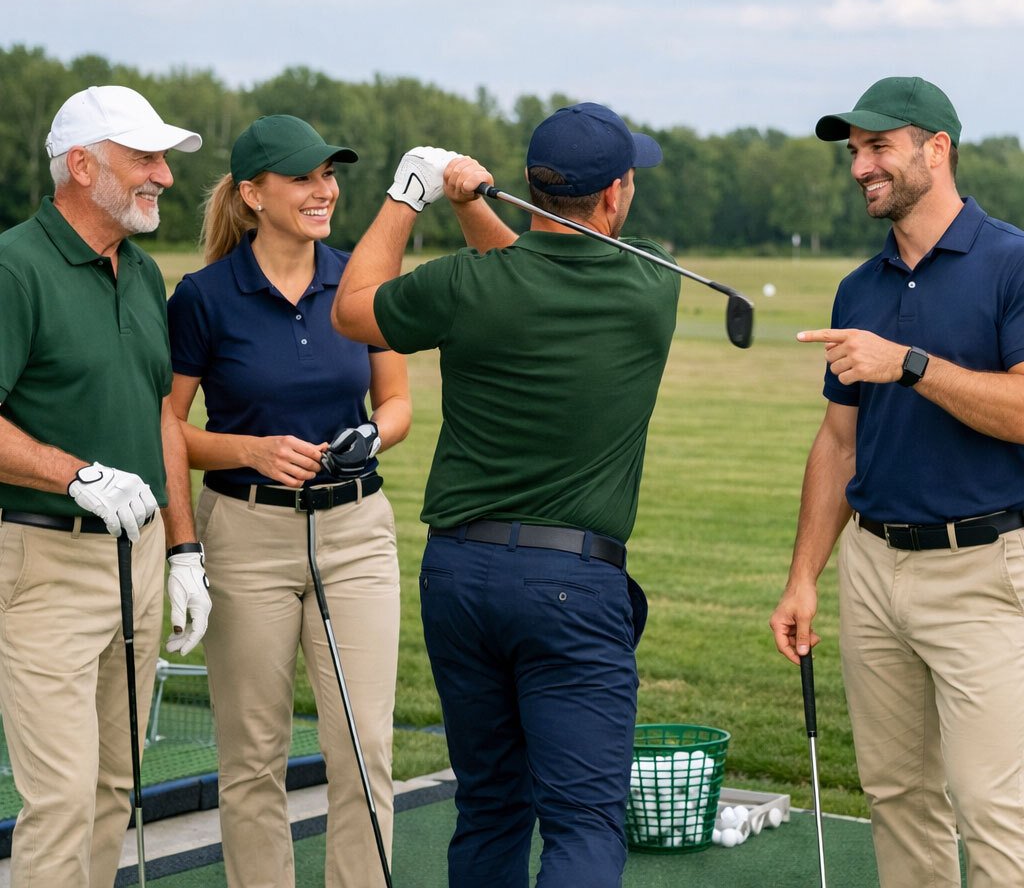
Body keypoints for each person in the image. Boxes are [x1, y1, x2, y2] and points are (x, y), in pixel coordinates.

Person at [332, 102, 680, 888]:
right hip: (573, 584)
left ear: (529, 184)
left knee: (489, 807)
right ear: (615, 193)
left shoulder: (468, 283)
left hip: (460, 577)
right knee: (582, 827)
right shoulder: (650, 282)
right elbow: (534, 269)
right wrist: (470, 210)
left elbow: (353, 309)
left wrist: (412, 194)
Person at [769, 76, 1024, 888]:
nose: (859, 167)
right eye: (854, 152)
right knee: (898, 798)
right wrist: (803, 578)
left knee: (992, 808)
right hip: (874, 570)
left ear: (936, 149)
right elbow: (839, 442)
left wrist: (909, 364)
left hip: (984, 570)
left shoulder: (1012, 262)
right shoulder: (860, 287)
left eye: (877, 147)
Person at [166, 114, 410, 888]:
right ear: (253, 194)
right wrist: (250, 450)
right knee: (252, 760)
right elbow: (168, 429)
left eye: (328, 175)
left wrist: (371, 435)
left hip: (358, 534)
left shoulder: (361, 281)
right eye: (303, 177)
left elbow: (398, 404)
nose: (323, 190)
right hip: (244, 537)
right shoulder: (203, 297)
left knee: (365, 749)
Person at [0, 85, 212, 886]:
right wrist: (75, 473)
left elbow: (162, 415)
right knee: (60, 797)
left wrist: (184, 549)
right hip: (45, 563)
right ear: (83, 167)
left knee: (113, 787)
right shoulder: (14, 267)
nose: (164, 175)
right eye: (145, 158)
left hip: (140, 558)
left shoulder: (144, 273)